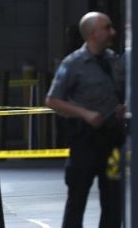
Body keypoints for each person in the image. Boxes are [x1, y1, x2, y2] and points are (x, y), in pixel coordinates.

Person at [45, 12, 126, 228]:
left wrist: (121, 108)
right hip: (85, 143)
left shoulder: (114, 61)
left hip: (112, 144)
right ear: (93, 34)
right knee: (77, 198)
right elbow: (52, 100)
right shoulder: (73, 64)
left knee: (113, 199)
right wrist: (85, 114)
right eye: (107, 28)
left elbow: (122, 92)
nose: (113, 32)